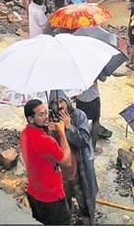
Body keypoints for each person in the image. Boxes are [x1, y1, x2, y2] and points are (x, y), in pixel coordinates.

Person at [20, 99, 72, 226]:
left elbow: (40, 155)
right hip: (52, 197)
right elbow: (67, 162)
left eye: (46, 113)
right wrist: (62, 133)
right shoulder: (47, 142)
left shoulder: (24, 134)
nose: (46, 117)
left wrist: (46, 131)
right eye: (41, 115)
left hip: (33, 192)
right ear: (31, 119)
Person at [49, 92, 98, 224]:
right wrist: (50, 133)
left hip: (79, 171)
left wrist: (69, 127)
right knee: (64, 208)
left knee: (86, 205)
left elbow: (84, 141)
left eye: (61, 102)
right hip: (60, 175)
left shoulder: (79, 116)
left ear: (67, 102)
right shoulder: (49, 120)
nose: (59, 106)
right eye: (54, 103)